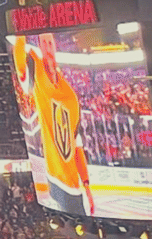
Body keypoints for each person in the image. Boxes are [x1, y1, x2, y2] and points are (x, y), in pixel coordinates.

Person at [13, 33, 95, 215]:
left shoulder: (69, 92)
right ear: (40, 46)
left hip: (74, 186)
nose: (48, 47)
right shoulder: (35, 70)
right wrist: (20, 32)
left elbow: (77, 146)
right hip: (56, 179)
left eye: (50, 43)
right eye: (44, 43)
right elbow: (20, 66)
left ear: (55, 46)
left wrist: (87, 186)